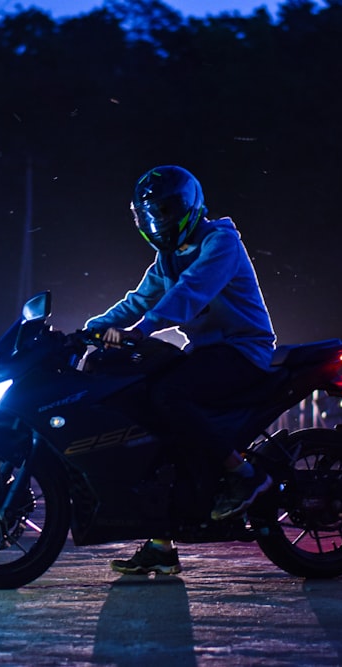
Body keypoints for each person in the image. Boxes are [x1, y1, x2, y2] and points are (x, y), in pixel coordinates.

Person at [84, 165, 277, 576]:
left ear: (188, 205)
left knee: (168, 394)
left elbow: (191, 291)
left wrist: (143, 330)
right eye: (153, 212)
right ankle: (161, 541)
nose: (161, 220)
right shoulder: (167, 257)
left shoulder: (219, 242)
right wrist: (88, 329)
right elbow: (139, 299)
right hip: (208, 353)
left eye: (168, 209)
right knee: (149, 410)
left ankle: (242, 474)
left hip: (243, 351)